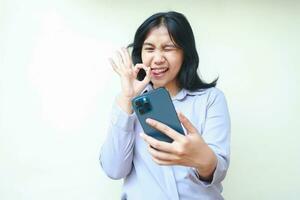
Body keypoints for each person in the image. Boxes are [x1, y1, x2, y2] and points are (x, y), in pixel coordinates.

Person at [100, 11, 230, 200]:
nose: (158, 58)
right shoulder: (128, 103)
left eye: (168, 48)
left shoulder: (211, 99)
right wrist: (127, 98)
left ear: (185, 52)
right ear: (140, 53)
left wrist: (202, 158)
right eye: (150, 49)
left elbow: (218, 170)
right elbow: (114, 169)